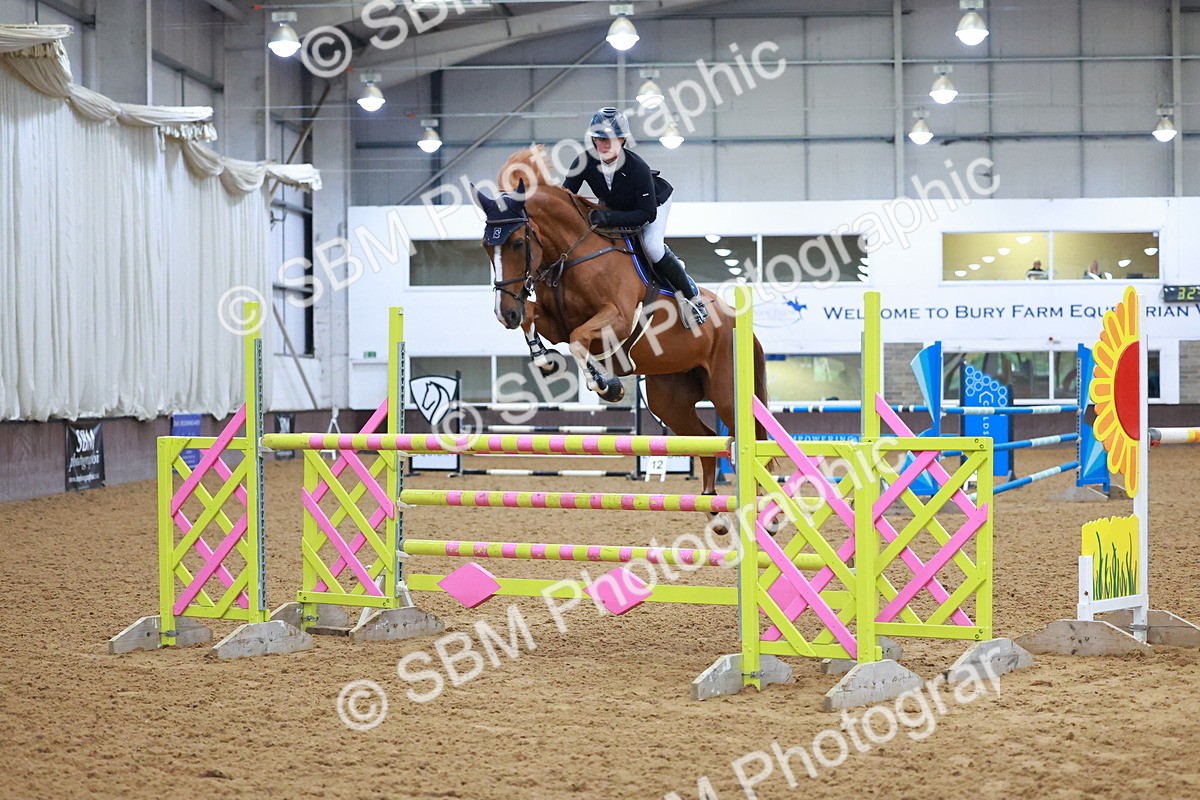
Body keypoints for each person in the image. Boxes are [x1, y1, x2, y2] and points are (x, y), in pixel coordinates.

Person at [562, 107, 707, 327]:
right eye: (601, 138)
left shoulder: (637, 167)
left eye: (612, 138)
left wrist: (608, 218)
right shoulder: (583, 162)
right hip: (617, 208)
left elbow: (647, 214)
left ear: (622, 140)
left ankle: (692, 297)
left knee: (652, 247)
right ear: (593, 140)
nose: (606, 144)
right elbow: (566, 199)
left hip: (651, 205)